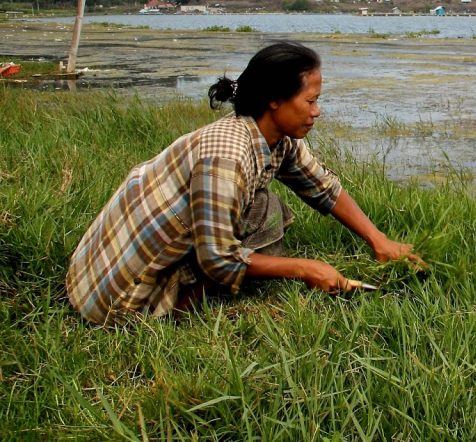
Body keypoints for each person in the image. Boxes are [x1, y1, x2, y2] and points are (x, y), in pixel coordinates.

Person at [66, 40, 423, 326]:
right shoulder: (227, 156)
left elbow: (322, 187)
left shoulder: (277, 139)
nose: (317, 111)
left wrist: (380, 241)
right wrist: (306, 268)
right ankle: (177, 316)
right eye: (311, 101)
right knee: (262, 214)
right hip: (116, 302)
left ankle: (186, 295)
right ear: (274, 100)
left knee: (262, 207)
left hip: (98, 275)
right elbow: (219, 259)